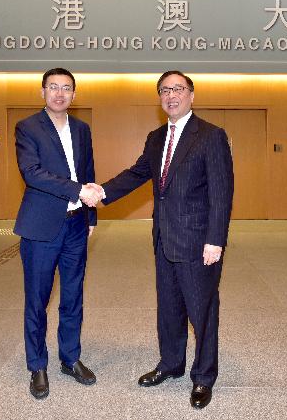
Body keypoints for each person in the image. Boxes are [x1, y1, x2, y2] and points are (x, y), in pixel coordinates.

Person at [98, 70, 234, 409]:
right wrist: (102, 192)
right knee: (169, 308)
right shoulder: (156, 137)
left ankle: (203, 377)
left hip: (198, 242)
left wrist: (215, 240)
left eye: (178, 89)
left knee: (202, 312)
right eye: (164, 90)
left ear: (191, 95)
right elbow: (137, 173)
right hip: (163, 239)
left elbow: (222, 193)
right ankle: (171, 364)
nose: (171, 95)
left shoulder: (211, 136)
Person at [13, 68, 104, 400]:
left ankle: (70, 358)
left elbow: (88, 172)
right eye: (53, 87)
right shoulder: (27, 127)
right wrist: (78, 190)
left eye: (66, 88)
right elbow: (32, 173)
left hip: (76, 225)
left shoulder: (82, 129)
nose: (60, 93)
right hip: (41, 226)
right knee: (37, 299)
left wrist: (91, 215)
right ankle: (37, 365)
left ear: (74, 95)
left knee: (73, 296)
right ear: (42, 92)